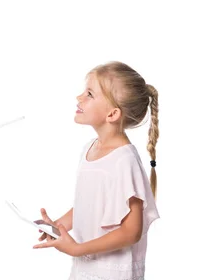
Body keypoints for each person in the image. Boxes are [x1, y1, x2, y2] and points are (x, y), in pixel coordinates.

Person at [33, 61, 160, 280]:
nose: (79, 98)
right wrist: (58, 226)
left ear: (112, 114)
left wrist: (77, 249)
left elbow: (132, 231)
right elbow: (90, 203)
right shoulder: (90, 149)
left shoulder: (124, 161)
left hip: (111, 273)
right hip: (86, 269)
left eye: (90, 94)